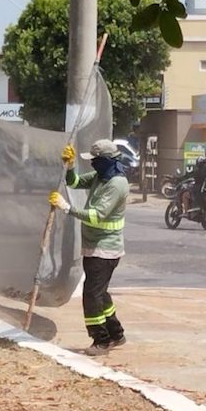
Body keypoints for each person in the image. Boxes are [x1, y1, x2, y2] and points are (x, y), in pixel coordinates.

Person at [48, 139, 129, 356]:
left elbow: (96, 215)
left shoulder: (116, 184)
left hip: (105, 249)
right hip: (94, 247)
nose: (92, 164)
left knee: (91, 296)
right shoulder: (101, 177)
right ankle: (116, 333)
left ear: (105, 161)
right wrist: (70, 165)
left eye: (95, 160)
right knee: (100, 293)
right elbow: (74, 183)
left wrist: (66, 208)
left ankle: (101, 340)